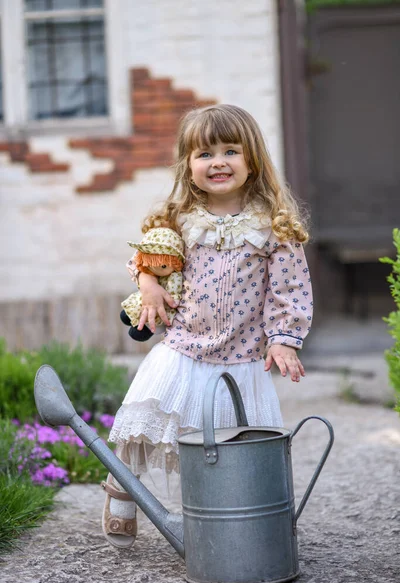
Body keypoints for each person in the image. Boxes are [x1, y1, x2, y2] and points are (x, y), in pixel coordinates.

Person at [101, 104, 313, 548]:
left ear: (252, 160)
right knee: (144, 419)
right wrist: (148, 284)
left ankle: (226, 511)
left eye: (230, 151)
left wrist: (283, 341)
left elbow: (287, 293)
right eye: (205, 154)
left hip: (241, 359)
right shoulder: (178, 219)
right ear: (188, 165)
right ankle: (122, 487)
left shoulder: (273, 227)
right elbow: (149, 259)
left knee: (230, 444)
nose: (218, 162)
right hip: (182, 347)